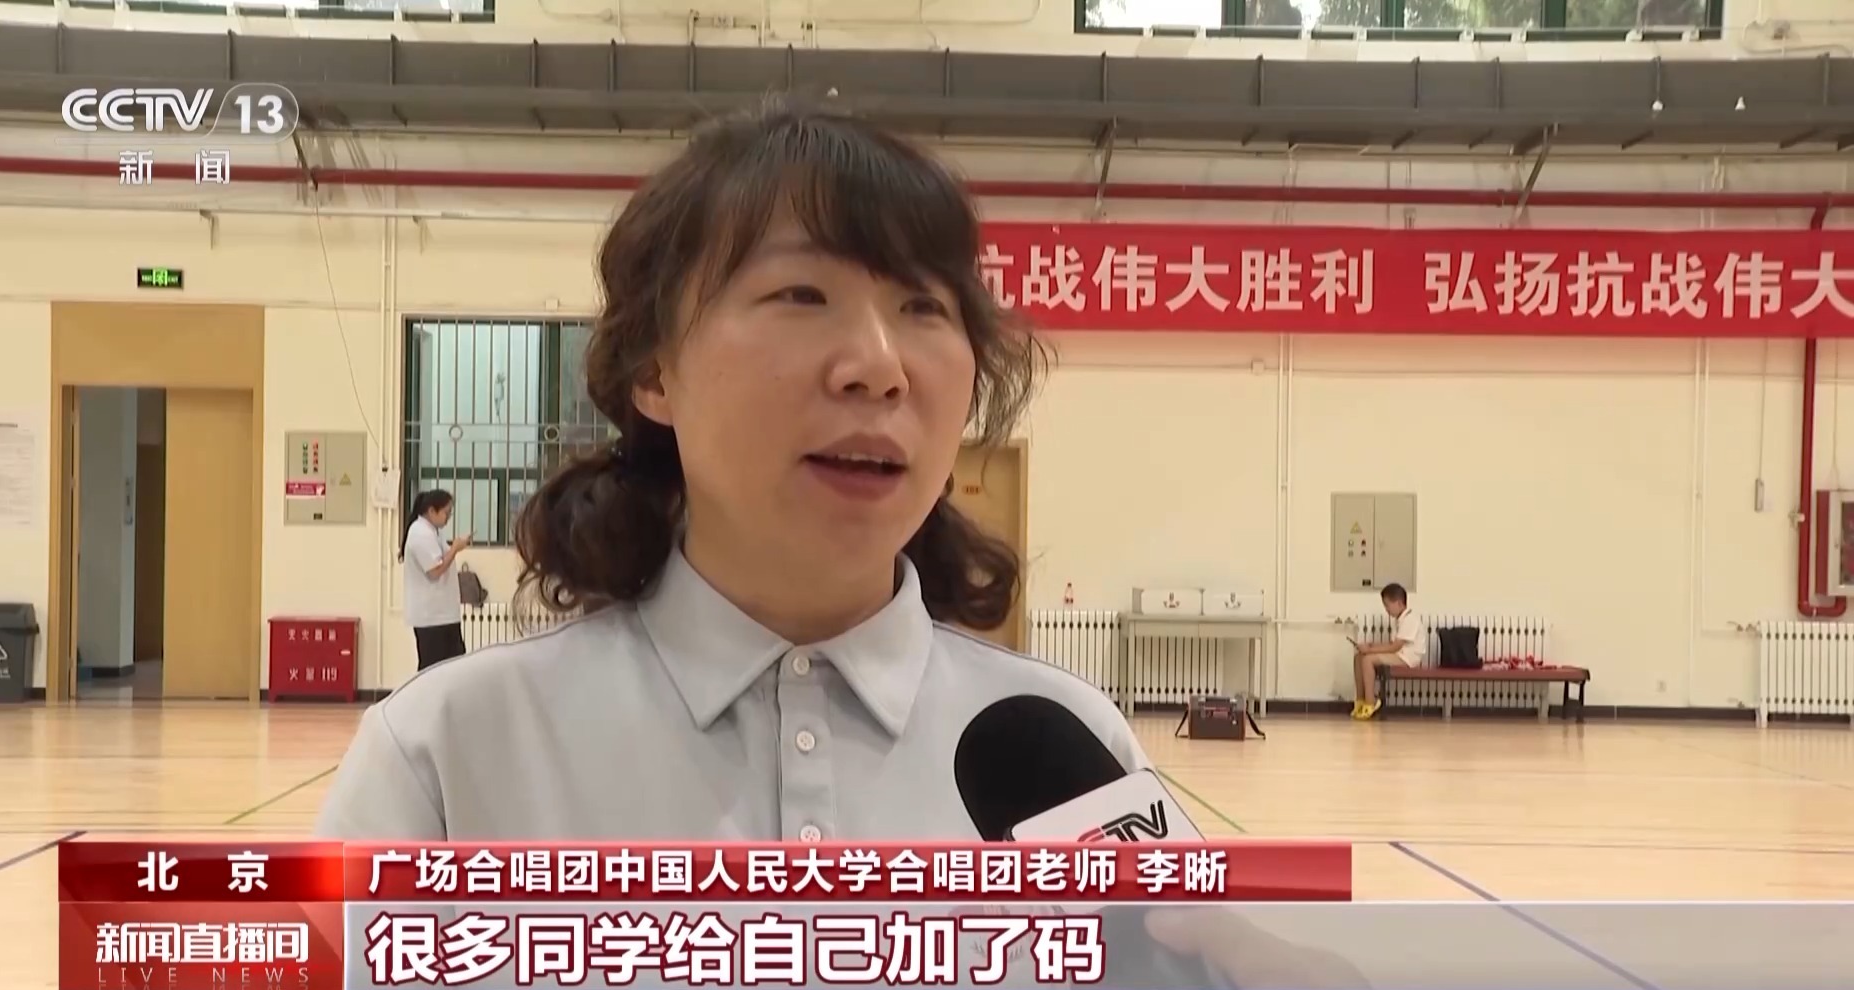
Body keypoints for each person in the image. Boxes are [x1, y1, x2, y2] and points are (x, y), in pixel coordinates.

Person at [318, 102, 1360, 989]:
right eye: (801, 296)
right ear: (654, 372)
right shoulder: (452, 756)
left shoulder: (1070, 755)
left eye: (923, 307)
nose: (878, 365)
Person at [400, 488, 471, 672]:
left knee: (453, 666)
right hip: (432, 617)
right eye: (446, 512)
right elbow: (435, 570)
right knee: (433, 670)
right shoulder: (420, 533)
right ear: (432, 511)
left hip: (443, 614)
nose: (448, 518)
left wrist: (456, 547)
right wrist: (455, 549)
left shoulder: (433, 532)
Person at [1348, 582, 1425, 720]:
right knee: (1359, 657)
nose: (1386, 609)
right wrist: (1371, 645)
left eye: (1387, 605)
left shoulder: (1410, 620)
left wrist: (1370, 650)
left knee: (1368, 659)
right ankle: (1360, 699)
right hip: (1399, 655)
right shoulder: (1399, 620)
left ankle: (1371, 702)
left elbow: (1395, 647)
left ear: (1399, 603)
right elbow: (1392, 644)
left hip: (1408, 658)